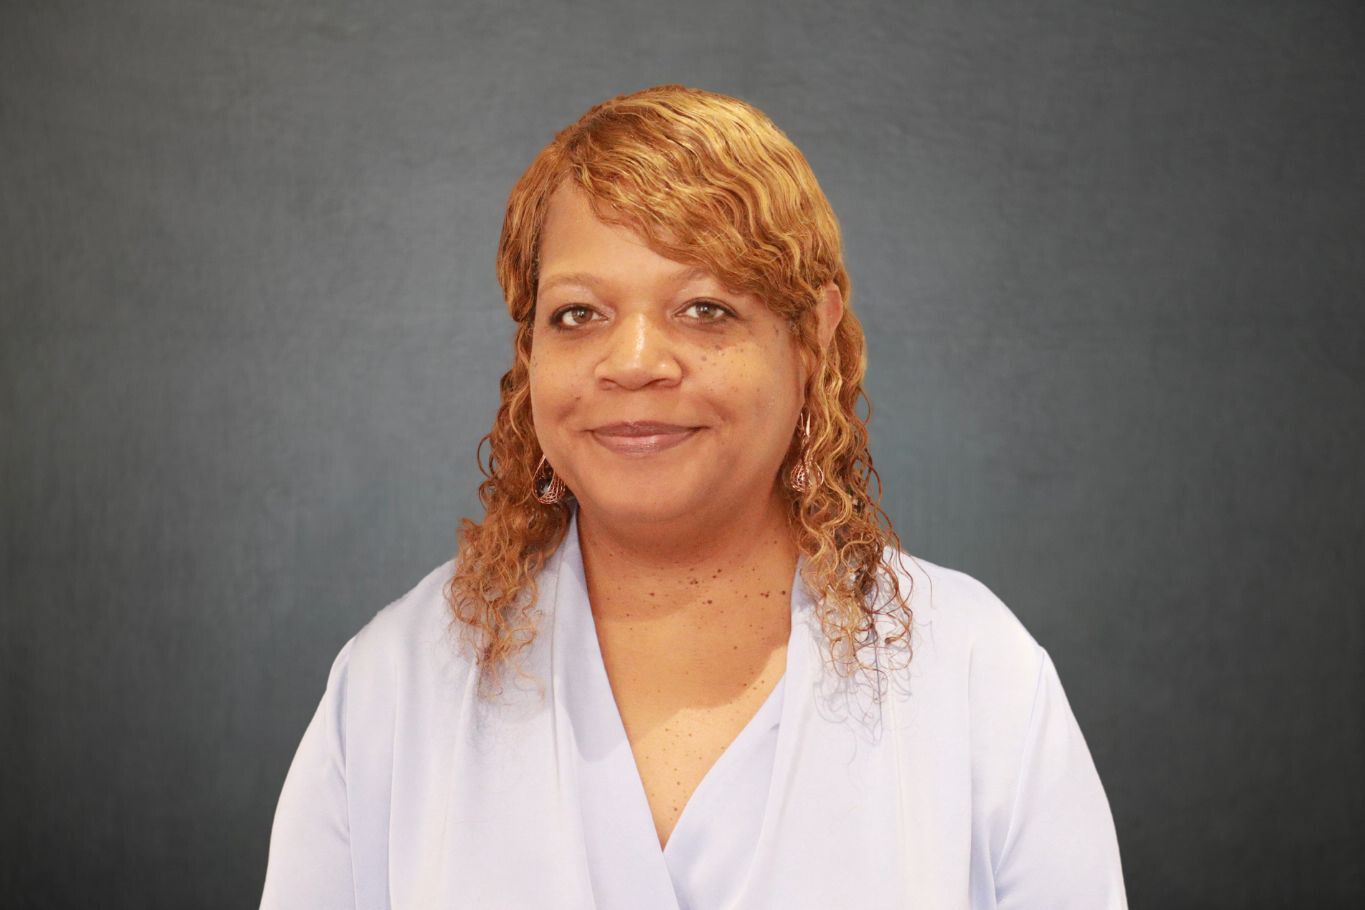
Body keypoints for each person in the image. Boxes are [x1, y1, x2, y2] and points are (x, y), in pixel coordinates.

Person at [259, 84, 1128, 909]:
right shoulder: (394, 687)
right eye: (578, 314)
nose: (633, 361)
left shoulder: (976, 677)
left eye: (706, 309)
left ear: (811, 338)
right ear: (528, 355)